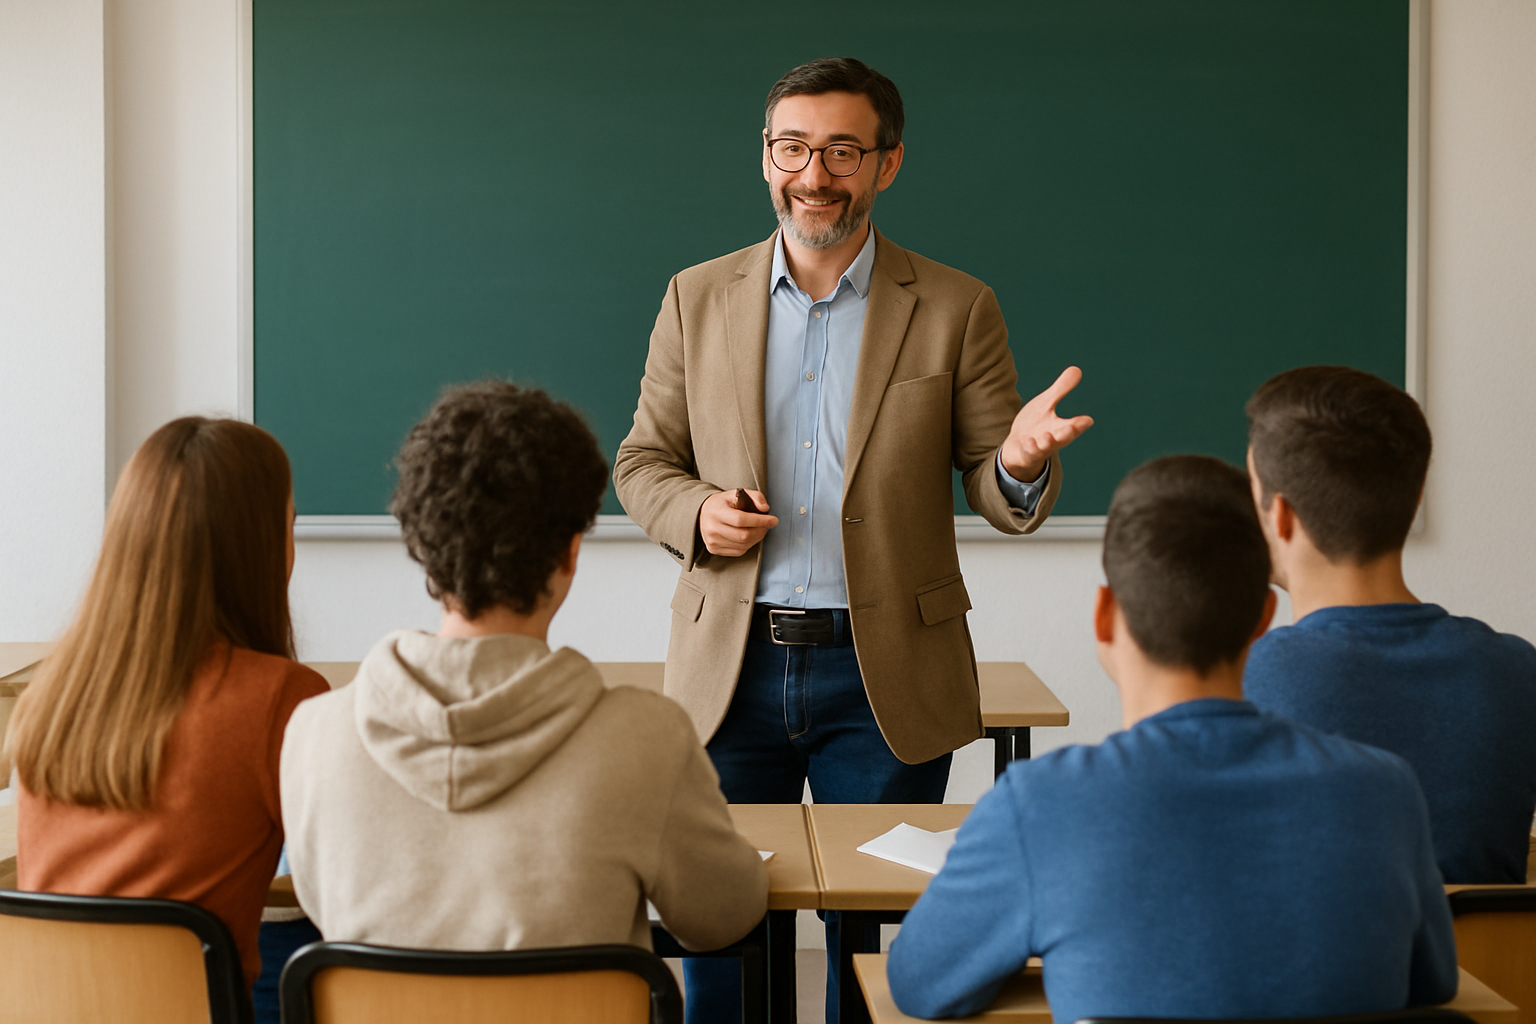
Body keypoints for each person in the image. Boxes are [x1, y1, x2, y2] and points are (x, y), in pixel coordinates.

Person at [613, 56, 1092, 1022]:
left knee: (868, 938)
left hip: (885, 675)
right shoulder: (694, 298)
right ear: (765, 158)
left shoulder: (956, 306)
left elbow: (996, 490)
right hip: (731, 663)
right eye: (792, 148)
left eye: (841, 151)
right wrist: (696, 515)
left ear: (888, 164)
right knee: (718, 929)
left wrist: (1023, 461)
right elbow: (641, 464)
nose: (813, 173)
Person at [887, 455, 1457, 1023]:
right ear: (1264, 616)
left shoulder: (1040, 805)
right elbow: (1433, 982)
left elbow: (918, 983)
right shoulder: (1387, 791)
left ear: (1105, 616)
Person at [281, 380, 768, 957]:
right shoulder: (646, 740)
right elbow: (723, 917)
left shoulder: (315, 735)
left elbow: (317, 904)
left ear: (420, 541)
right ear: (570, 553)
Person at [8, 417, 328, 996]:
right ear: (256, 547)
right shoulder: (281, 697)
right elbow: (344, 890)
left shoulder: (48, 699)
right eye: (290, 526)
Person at [1242, 365, 1536, 884]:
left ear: (1281, 516)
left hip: (1325, 968)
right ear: (1416, 495)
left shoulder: (1247, 681)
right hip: (1488, 968)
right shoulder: (1518, 670)